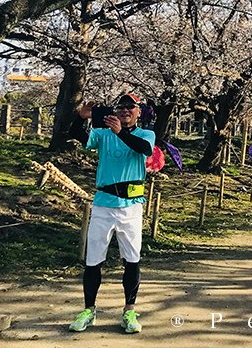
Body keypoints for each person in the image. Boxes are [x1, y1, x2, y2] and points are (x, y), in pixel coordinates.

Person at [67, 93, 156, 334]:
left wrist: (121, 133)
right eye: (121, 107)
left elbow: (144, 150)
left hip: (131, 206)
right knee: (93, 259)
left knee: (132, 259)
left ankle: (129, 310)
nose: (125, 111)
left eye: (130, 107)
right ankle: (89, 309)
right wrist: (80, 118)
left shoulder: (146, 134)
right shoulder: (104, 134)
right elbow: (77, 135)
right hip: (104, 203)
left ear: (139, 112)